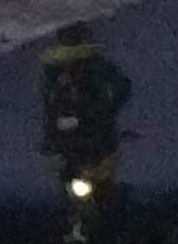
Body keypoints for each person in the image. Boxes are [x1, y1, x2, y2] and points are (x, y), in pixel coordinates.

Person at [37, 21, 132, 170]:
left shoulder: (95, 66)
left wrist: (106, 110)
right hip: (72, 129)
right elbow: (48, 99)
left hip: (94, 128)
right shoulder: (54, 69)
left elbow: (121, 87)